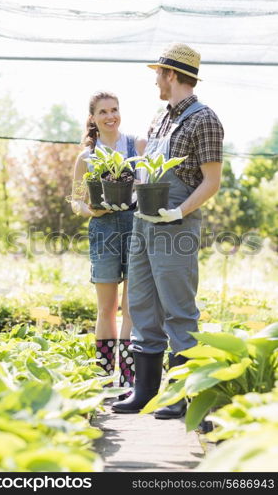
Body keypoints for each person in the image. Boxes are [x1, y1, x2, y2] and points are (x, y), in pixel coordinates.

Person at [112, 43, 224, 417]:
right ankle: (145, 392)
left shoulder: (204, 119)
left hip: (175, 226)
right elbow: (147, 170)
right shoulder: (161, 117)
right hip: (144, 224)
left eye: (158, 73)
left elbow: (212, 181)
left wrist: (178, 210)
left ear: (172, 75)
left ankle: (178, 395)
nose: (156, 81)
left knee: (178, 310)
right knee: (141, 303)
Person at [71, 91, 146, 396]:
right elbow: (75, 201)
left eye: (114, 110)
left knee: (130, 308)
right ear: (93, 117)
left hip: (134, 226)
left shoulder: (136, 145)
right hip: (102, 229)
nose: (110, 116)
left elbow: (146, 184)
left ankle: (128, 379)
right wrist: (93, 209)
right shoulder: (86, 157)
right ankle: (104, 378)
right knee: (106, 308)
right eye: (103, 111)